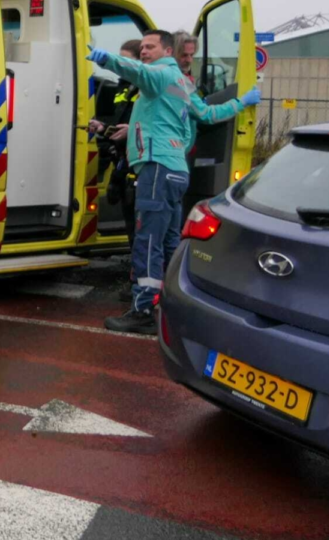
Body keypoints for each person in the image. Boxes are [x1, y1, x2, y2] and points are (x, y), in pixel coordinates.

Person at [87, 30, 260, 334]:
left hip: (156, 168)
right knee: (168, 242)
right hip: (176, 170)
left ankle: (142, 309)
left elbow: (135, 70)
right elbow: (206, 113)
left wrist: (106, 58)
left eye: (149, 47)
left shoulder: (158, 74)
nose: (143, 51)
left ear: (167, 50)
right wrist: (241, 102)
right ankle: (171, 303)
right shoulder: (180, 82)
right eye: (141, 47)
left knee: (148, 240)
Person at [88, 39, 143, 245]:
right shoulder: (123, 87)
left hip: (138, 161)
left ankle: (142, 271)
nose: (120, 64)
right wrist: (103, 128)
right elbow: (121, 122)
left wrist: (132, 132)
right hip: (121, 159)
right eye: (118, 59)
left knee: (140, 226)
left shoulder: (145, 88)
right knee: (128, 218)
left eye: (125, 60)